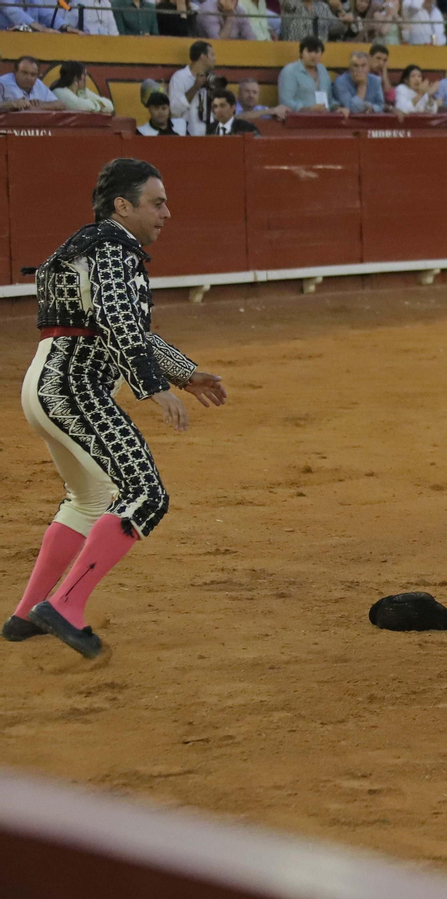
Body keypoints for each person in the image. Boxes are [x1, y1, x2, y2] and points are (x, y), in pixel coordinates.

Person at [9, 159, 227, 659]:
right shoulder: (112, 248)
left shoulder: (94, 244)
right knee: (145, 494)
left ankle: (27, 613)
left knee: (89, 500)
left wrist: (183, 372)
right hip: (75, 387)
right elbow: (117, 320)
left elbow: (128, 325)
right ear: (122, 206)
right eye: (157, 203)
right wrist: (154, 387)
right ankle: (64, 605)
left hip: (46, 383)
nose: (167, 213)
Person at [169, 40, 216, 135]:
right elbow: (174, 110)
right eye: (212, 55)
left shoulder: (211, 79)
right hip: (185, 136)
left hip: (208, 136)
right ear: (203, 56)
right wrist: (195, 87)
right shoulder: (179, 77)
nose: (215, 59)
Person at [278, 37, 333, 112]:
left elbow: (329, 99)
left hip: (325, 118)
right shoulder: (290, 71)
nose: (313, 55)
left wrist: (338, 108)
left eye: (317, 52)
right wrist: (309, 110)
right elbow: (285, 102)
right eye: (309, 51)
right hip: (299, 119)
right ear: (301, 53)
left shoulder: (323, 70)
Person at [49, 62, 114, 114]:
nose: (86, 79)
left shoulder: (82, 91)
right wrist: (100, 106)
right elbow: (80, 106)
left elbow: (110, 105)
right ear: (76, 78)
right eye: (84, 75)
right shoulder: (59, 92)